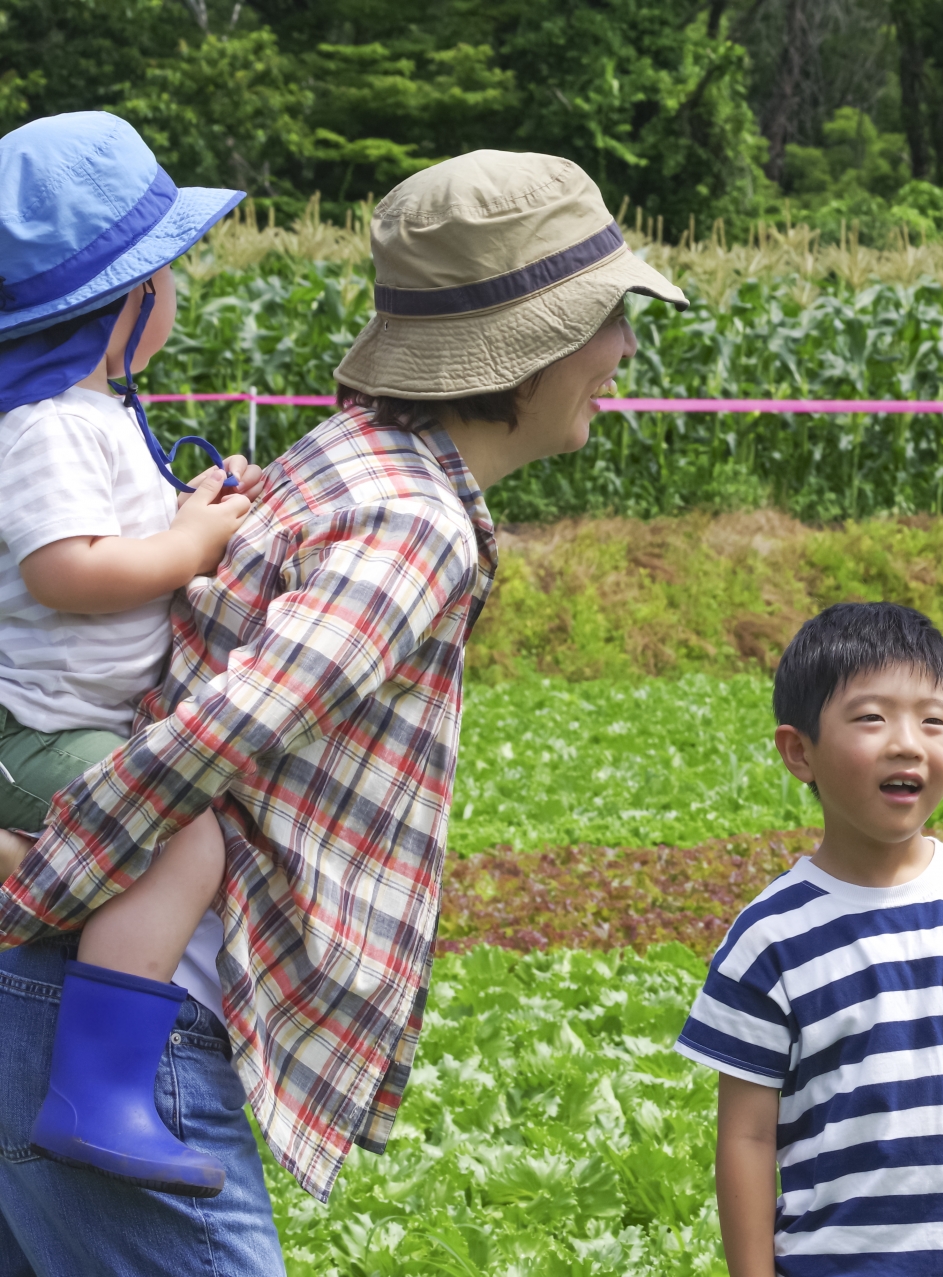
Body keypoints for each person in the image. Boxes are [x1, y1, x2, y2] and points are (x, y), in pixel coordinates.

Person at [0, 147, 686, 1271]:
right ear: (536, 340)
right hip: (120, 1010)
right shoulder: (413, 522)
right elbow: (225, 730)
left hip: (55, 988)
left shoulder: (344, 454)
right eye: (610, 320)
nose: (622, 351)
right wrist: (41, 886)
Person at [0, 112, 267, 1199]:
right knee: (179, 830)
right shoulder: (46, 424)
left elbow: (121, 532)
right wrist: (193, 542)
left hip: (74, 721)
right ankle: (98, 1087)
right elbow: (68, 566)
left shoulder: (94, 416)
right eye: (167, 273)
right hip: (40, 732)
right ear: (126, 299)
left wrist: (189, 506)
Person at [676, 602, 943, 1277]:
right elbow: (747, 1136)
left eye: (932, 720)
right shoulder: (770, 938)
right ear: (799, 751)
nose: (907, 741)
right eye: (872, 717)